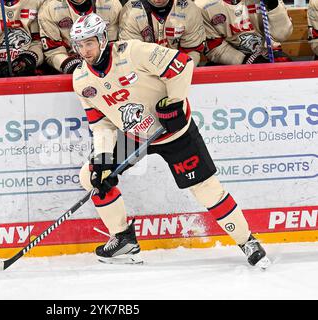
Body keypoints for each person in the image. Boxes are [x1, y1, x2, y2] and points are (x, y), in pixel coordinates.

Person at [70, 13, 270, 268]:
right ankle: (123, 239)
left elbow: (182, 64)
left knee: (206, 189)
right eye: (80, 45)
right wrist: (102, 158)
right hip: (135, 136)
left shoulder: (132, 52)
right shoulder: (81, 80)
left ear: (102, 38)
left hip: (174, 132)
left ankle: (246, 240)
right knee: (92, 176)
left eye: (89, 43)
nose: (85, 50)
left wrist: (174, 102)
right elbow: (101, 123)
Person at [38, 0, 122, 74]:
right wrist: (73, 67)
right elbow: (53, 52)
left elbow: (113, 45)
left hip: (106, 65)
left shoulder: (111, 4)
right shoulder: (49, 8)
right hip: (70, 67)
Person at [198, 0, 292, 65]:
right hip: (232, 61)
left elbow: (282, 35)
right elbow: (214, 47)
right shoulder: (204, 6)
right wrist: (244, 60)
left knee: (286, 68)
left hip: (269, 52)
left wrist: (273, 6)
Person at [119, 0, 206, 66]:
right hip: (145, 71)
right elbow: (131, 55)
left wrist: (181, 69)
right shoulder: (131, 12)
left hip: (179, 68)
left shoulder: (188, 9)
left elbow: (192, 51)